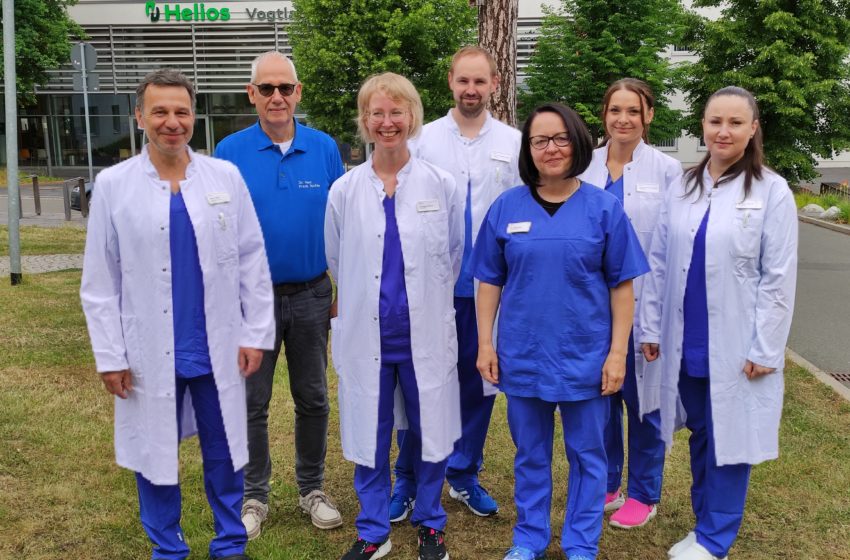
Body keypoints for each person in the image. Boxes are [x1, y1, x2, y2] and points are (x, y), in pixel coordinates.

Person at [80, 69, 275, 560]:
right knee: (154, 453)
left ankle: (229, 544)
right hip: (148, 349)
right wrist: (110, 355)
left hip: (217, 345)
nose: (172, 122)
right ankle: (167, 548)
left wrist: (255, 333)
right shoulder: (113, 186)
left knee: (226, 449)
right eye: (160, 112)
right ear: (140, 117)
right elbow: (100, 281)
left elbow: (252, 259)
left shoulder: (224, 178)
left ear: (194, 116)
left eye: (181, 111)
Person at [473, 102, 649, 560]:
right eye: (539, 140)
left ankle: (580, 542)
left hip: (585, 357)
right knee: (530, 454)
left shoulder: (604, 209)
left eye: (560, 138)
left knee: (589, 456)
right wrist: (486, 343)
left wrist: (616, 354)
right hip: (524, 354)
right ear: (528, 149)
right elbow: (489, 281)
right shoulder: (506, 207)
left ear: (577, 141)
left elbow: (622, 288)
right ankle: (529, 537)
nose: (551, 149)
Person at [639, 86, 798, 560]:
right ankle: (703, 523)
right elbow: (660, 262)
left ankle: (715, 539)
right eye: (714, 122)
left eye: (734, 123)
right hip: (686, 338)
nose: (723, 131)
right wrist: (650, 327)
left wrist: (766, 348)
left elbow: (779, 277)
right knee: (704, 434)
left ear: (753, 129)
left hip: (735, 342)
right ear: (702, 126)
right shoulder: (684, 186)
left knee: (732, 441)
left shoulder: (772, 190)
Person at [325, 72, 464, 560]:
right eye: (377, 113)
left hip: (423, 336)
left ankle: (430, 522)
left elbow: (453, 255)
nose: (387, 122)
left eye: (396, 112)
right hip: (369, 340)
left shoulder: (441, 185)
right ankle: (373, 529)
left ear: (413, 117)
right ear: (365, 121)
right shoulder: (344, 191)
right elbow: (338, 261)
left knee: (431, 431)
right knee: (370, 432)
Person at [214, 51, 345, 538]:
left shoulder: (325, 147)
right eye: (266, 88)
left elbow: (339, 224)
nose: (276, 97)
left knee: (313, 397)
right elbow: (218, 227)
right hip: (251, 301)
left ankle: (311, 488)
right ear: (252, 94)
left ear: (299, 92)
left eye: (285, 88)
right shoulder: (229, 150)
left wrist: (340, 285)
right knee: (252, 401)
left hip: (312, 294)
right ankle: (254, 496)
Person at [391, 45, 522, 521]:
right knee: (418, 384)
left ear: (494, 84)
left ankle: (463, 475)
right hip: (428, 289)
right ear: (450, 81)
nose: (471, 90)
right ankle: (406, 479)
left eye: (480, 81)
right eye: (463, 81)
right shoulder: (422, 139)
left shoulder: (513, 142)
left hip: (487, 290)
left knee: (477, 381)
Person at [580, 78, 683, 529]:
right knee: (598, 401)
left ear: (649, 117)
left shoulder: (668, 171)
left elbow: (671, 249)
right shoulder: (583, 166)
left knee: (646, 403)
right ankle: (606, 482)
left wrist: (659, 320)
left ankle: (643, 491)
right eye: (615, 110)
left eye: (633, 111)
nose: (624, 119)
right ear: (604, 115)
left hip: (645, 307)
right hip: (590, 308)